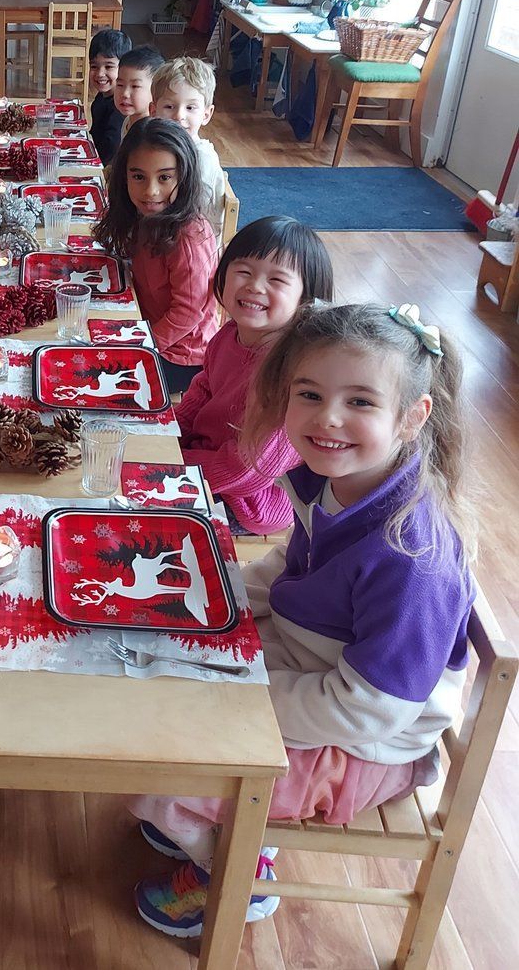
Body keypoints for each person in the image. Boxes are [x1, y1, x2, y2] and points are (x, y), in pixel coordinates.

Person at [130, 302, 476, 941]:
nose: (329, 419)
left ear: (411, 418)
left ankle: (240, 872)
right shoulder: (329, 480)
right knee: (158, 691)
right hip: (315, 675)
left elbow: (371, 712)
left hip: (367, 746)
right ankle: (198, 817)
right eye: (309, 394)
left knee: (162, 753)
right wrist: (225, 602)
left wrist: (242, 696)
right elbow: (291, 566)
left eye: (361, 403)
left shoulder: (410, 558)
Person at [174, 215, 334, 534]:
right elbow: (205, 387)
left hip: (247, 498)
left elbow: (249, 469)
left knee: (136, 510)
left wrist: (174, 463)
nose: (254, 286)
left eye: (276, 281)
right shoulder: (229, 334)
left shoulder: (292, 373)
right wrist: (167, 433)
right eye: (243, 271)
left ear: (306, 300)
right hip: (206, 460)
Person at [95, 118, 218, 395]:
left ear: (184, 177)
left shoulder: (188, 238)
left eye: (164, 177)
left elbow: (187, 313)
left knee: (99, 374)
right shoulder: (148, 215)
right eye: (138, 176)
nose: (151, 191)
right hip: (147, 323)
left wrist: (144, 344)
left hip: (183, 355)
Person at [150, 56, 227, 240]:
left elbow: (194, 218)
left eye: (190, 107)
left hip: (194, 243)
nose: (179, 115)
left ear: (206, 114)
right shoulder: (158, 149)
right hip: (166, 232)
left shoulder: (202, 159)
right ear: (153, 111)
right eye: (169, 106)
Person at [88, 27, 133, 165]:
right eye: (94, 66)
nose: (100, 73)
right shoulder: (102, 97)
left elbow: (110, 149)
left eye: (108, 67)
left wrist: (90, 164)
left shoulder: (120, 107)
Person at [113, 44, 164, 143]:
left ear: (155, 90)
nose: (125, 93)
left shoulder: (152, 134)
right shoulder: (127, 121)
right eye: (120, 85)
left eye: (135, 86)